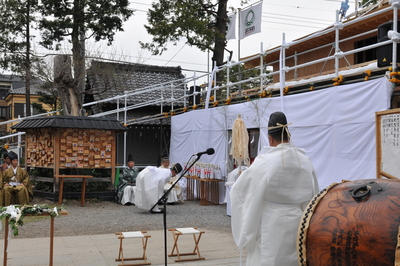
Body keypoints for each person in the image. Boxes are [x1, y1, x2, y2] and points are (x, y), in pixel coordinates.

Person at [230, 111, 319, 266]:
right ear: (289, 135)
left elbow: (240, 192)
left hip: (272, 222)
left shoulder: (265, 162)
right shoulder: (305, 161)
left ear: (270, 138)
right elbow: (314, 194)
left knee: (270, 259)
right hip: (298, 221)